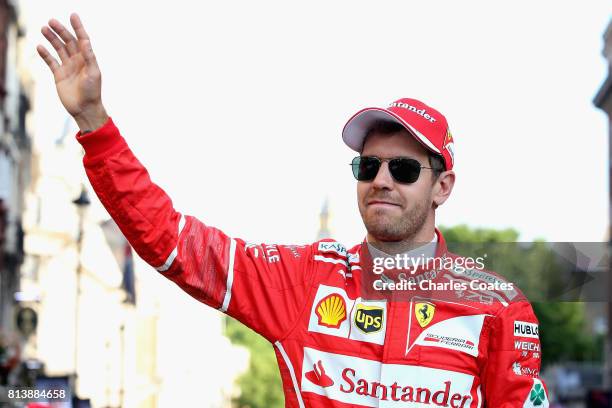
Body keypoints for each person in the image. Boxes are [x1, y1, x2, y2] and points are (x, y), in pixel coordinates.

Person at [37, 13, 550, 408]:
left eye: (405, 169)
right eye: (368, 166)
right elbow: (172, 241)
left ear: (443, 187)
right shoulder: (306, 280)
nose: (381, 181)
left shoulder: (498, 308)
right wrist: (94, 123)